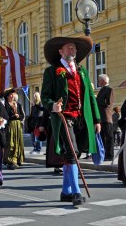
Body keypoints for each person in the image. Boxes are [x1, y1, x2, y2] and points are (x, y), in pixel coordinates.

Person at [41, 36, 101, 207]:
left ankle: (65, 191)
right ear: (60, 51)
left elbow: (90, 96)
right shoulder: (52, 71)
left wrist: (96, 119)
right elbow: (45, 96)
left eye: (73, 48)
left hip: (81, 117)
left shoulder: (81, 71)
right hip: (63, 117)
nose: (72, 51)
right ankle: (76, 191)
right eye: (68, 48)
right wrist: (53, 106)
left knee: (75, 152)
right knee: (72, 151)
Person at [3, 88, 25, 170]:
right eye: (10, 95)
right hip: (10, 125)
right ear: (7, 96)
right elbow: (5, 116)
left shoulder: (18, 105)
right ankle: (10, 161)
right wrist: (12, 116)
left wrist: (19, 116)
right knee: (11, 143)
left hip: (18, 125)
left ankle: (17, 160)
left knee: (18, 143)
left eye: (13, 94)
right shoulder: (5, 105)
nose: (12, 96)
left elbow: (22, 115)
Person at [96, 74, 114, 161]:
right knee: (102, 137)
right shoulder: (101, 90)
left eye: (99, 80)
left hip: (107, 117)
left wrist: (97, 100)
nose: (98, 82)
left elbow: (108, 103)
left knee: (109, 137)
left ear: (104, 81)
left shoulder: (109, 89)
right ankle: (103, 155)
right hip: (101, 117)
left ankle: (109, 155)